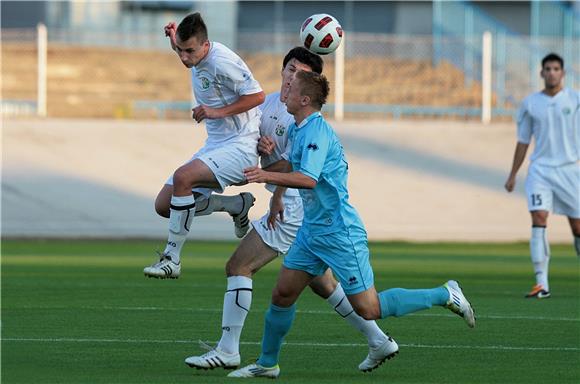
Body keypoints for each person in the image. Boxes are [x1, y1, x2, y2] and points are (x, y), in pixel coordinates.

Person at [228, 71, 476, 378]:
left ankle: (445, 294)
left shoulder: (316, 132)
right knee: (282, 294)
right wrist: (266, 183)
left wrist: (266, 176)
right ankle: (267, 364)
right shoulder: (298, 127)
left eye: (291, 89)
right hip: (312, 231)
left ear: (304, 100)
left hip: (338, 231)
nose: (285, 90)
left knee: (369, 308)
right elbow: (292, 164)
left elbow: (308, 178)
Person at [184, 47, 397, 373]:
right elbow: (252, 140)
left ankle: (229, 350)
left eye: (298, 74)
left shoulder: (301, 114)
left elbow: (297, 168)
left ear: (306, 87)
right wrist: (250, 142)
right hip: (299, 210)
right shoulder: (271, 102)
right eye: (289, 70)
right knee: (319, 282)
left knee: (239, 266)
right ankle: (377, 339)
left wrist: (276, 192)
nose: (290, 78)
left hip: (295, 207)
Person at [143, 13, 265, 279]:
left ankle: (172, 259)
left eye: (190, 51)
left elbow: (258, 96)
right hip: (217, 145)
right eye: (180, 51)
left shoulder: (222, 62)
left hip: (242, 145)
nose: (184, 58)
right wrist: (174, 39)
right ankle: (235, 206)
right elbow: (182, 47)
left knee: (182, 178)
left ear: (205, 44)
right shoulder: (191, 52)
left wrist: (218, 112)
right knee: (165, 205)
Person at [504, 53, 580, 299]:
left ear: (563, 73)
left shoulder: (575, 100)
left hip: (570, 169)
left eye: (556, 68)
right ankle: (541, 283)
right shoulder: (530, 104)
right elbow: (523, 141)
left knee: (577, 226)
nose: (551, 73)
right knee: (538, 219)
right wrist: (513, 174)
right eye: (547, 68)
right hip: (541, 171)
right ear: (541, 73)